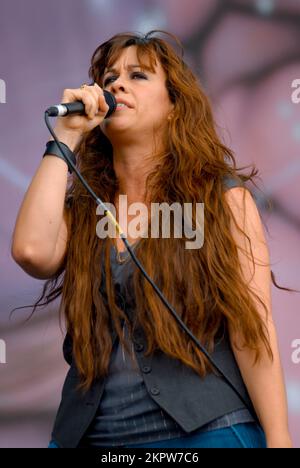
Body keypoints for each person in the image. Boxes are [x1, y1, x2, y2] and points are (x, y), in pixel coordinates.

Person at [11, 30, 293, 448]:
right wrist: (65, 140)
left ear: (174, 107)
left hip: (207, 434)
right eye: (109, 79)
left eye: (138, 76)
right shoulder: (84, 207)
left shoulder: (220, 199)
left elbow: (251, 330)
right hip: (93, 438)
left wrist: (279, 437)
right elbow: (32, 252)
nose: (116, 85)